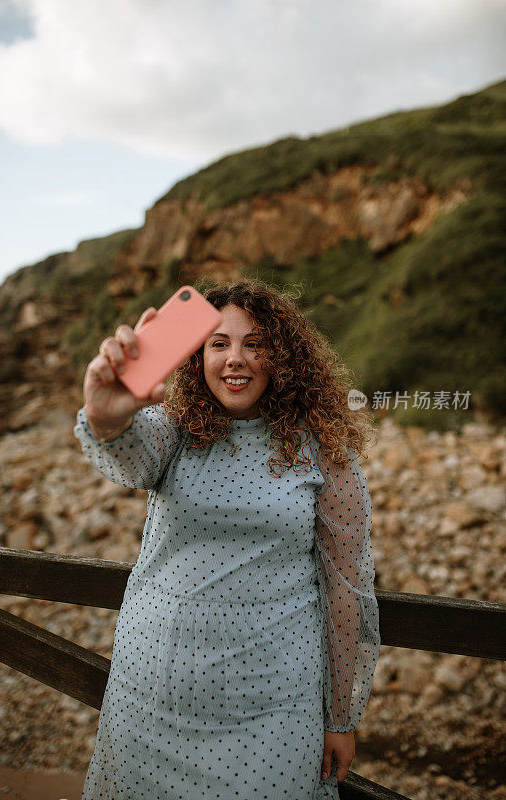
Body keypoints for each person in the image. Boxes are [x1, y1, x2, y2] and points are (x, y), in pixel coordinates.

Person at [74, 278, 381, 800]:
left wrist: (341, 716)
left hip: (272, 705)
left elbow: (347, 588)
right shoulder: (174, 429)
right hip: (153, 694)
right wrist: (107, 416)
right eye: (219, 343)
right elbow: (130, 455)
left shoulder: (326, 450)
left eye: (254, 343)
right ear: (197, 356)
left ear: (283, 357)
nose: (235, 358)